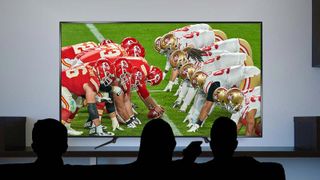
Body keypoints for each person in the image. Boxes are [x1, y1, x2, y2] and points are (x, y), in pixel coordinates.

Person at [200, 116, 285, 180]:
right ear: (235, 145)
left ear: (211, 145)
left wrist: (189, 156)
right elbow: (277, 169)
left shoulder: (200, 170)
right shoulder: (249, 164)